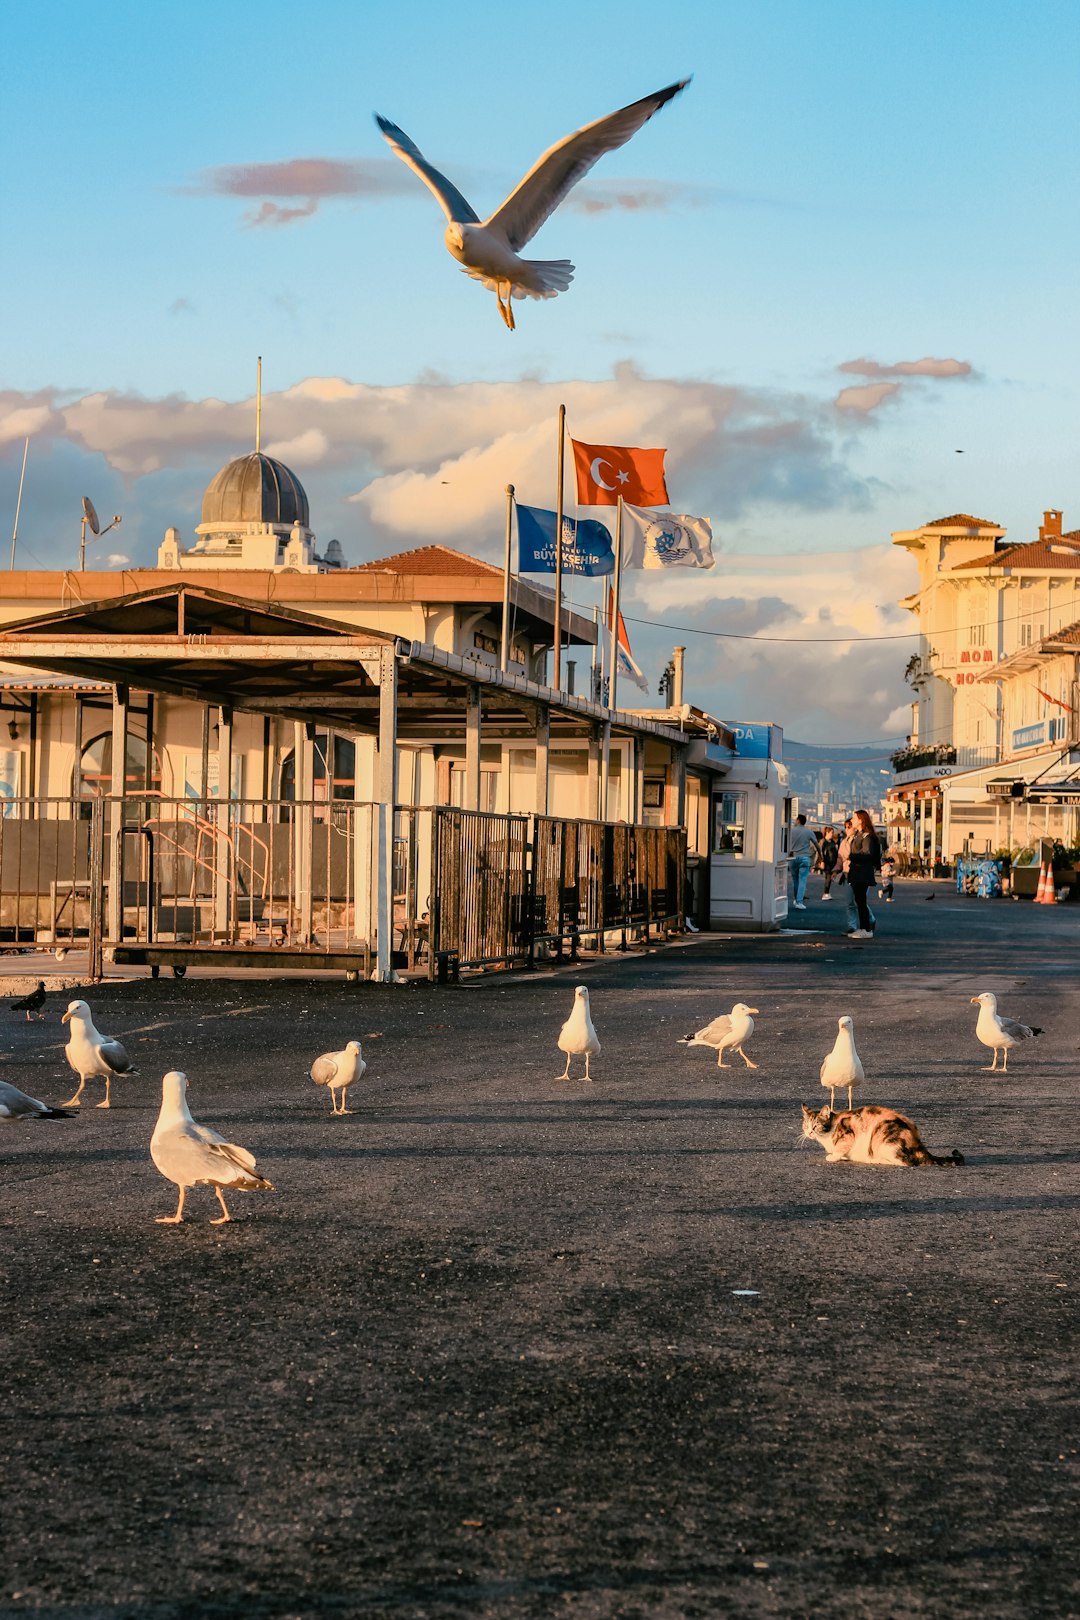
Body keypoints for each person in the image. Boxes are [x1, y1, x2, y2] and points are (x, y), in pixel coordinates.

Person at [847, 809, 882, 938]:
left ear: (861, 820)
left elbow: (868, 853)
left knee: (861, 901)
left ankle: (865, 929)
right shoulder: (859, 835)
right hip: (857, 872)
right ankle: (863, 927)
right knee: (859, 900)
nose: (852, 820)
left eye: (854, 818)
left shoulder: (867, 836)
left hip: (862, 872)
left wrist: (852, 856)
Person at [788, 813, 815, 909]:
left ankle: (796, 900)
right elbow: (817, 845)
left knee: (795, 880)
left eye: (796, 820)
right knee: (802, 880)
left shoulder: (791, 831)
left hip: (793, 858)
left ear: (798, 821)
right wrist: (820, 855)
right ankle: (799, 901)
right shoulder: (809, 832)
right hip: (804, 858)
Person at [819, 826, 840, 898]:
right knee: (828, 877)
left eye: (833, 832)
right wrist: (822, 861)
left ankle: (827, 892)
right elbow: (820, 852)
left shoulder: (833, 842)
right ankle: (826, 893)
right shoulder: (823, 841)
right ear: (827, 832)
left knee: (830, 877)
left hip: (833, 862)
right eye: (831, 832)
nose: (832, 834)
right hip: (827, 862)